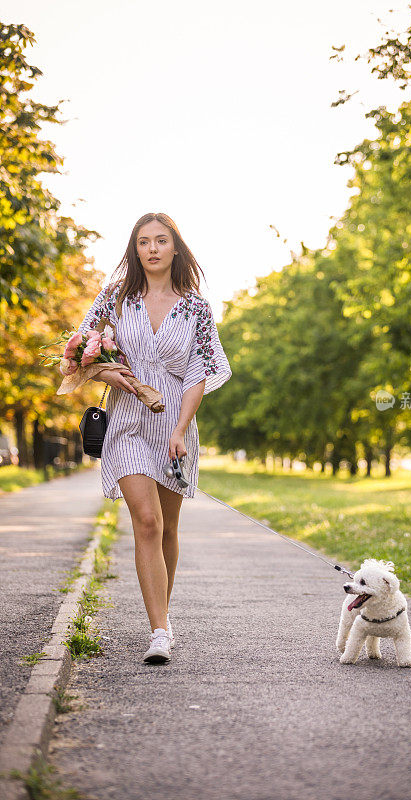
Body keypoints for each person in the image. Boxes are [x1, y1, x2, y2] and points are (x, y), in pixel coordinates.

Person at [77, 212, 232, 664]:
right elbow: (79, 348)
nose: (151, 249)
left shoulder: (196, 307)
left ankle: (162, 610)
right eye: (143, 241)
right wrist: (110, 371)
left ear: (175, 248)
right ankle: (159, 631)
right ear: (135, 249)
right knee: (145, 521)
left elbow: (200, 371)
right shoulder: (115, 298)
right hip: (126, 422)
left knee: (167, 527)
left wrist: (181, 430)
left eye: (160, 240)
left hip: (173, 427)